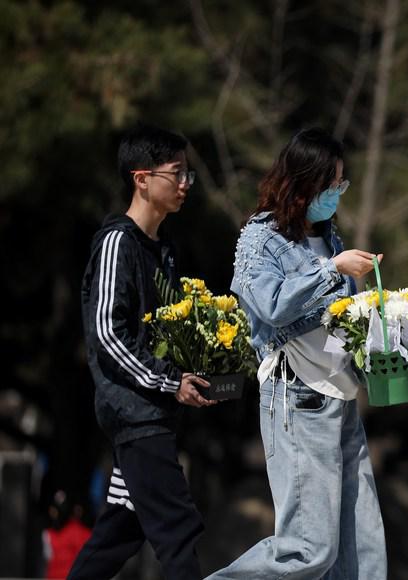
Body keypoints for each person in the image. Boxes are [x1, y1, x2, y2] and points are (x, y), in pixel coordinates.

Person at [207, 127, 387, 579]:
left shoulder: (330, 237)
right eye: (333, 185)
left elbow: (338, 319)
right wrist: (331, 270)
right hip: (297, 399)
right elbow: (269, 304)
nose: (338, 195)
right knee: (308, 549)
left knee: (362, 549)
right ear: (304, 183)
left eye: (343, 185)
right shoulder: (260, 239)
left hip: (342, 398)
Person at [69, 123, 216, 580]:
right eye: (177, 173)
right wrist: (171, 381)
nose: (185, 184)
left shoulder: (162, 251)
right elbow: (107, 335)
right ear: (141, 178)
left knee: (121, 531)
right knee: (177, 531)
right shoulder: (118, 243)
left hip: (153, 413)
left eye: (188, 174)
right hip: (136, 415)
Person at [43, 491, 91, 579]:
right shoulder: (48, 533)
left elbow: (88, 560)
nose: (54, 514)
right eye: (53, 510)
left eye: (58, 510)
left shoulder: (80, 532)